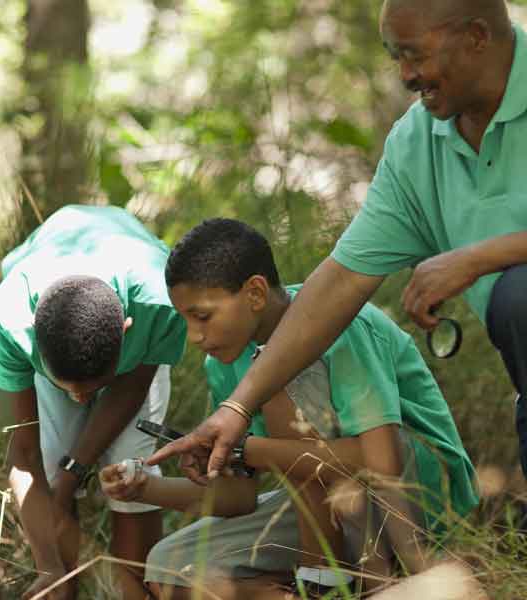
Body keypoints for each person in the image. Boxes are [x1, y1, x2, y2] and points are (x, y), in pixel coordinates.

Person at [148, 0, 527, 481]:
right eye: (395, 57)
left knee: (519, 294)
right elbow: (343, 279)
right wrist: (238, 408)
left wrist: (478, 257)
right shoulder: (417, 143)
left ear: (476, 36)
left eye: (416, 55)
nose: (405, 75)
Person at [108, 219, 478, 599]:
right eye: (184, 319)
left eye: (202, 316)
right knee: (169, 569)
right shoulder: (221, 363)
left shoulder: (340, 323)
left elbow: (382, 461)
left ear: (254, 293)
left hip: (413, 499)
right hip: (325, 506)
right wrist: (146, 488)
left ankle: (330, 578)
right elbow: (240, 497)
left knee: (274, 376)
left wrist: (248, 448)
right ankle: (312, 589)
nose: (193, 335)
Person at [0, 204, 187, 600]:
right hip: (52, 308)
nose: (80, 399)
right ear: (35, 348)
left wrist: (75, 472)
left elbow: (132, 386)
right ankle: (64, 589)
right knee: (48, 459)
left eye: (92, 388)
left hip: (131, 305)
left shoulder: (159, 303)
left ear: (127, 333)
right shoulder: (9, 322)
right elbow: (23, 451)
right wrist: (49, 568)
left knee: (131, 465)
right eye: (69, 388)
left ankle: (137, 591)